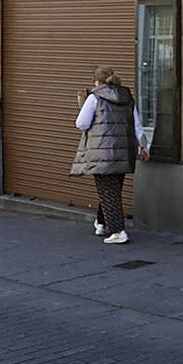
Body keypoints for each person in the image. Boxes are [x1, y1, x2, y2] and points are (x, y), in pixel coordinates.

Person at [70, 66, 149, 244]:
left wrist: (82, 105)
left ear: (97, 81)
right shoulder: (127, 97)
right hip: (123, 152)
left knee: (108, 190)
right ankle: (101, 222)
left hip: (101, 153)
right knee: (111, 190)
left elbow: (81, 124)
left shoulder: (94, 97)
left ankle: (118, 231)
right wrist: (144, 147)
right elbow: (137, 125)